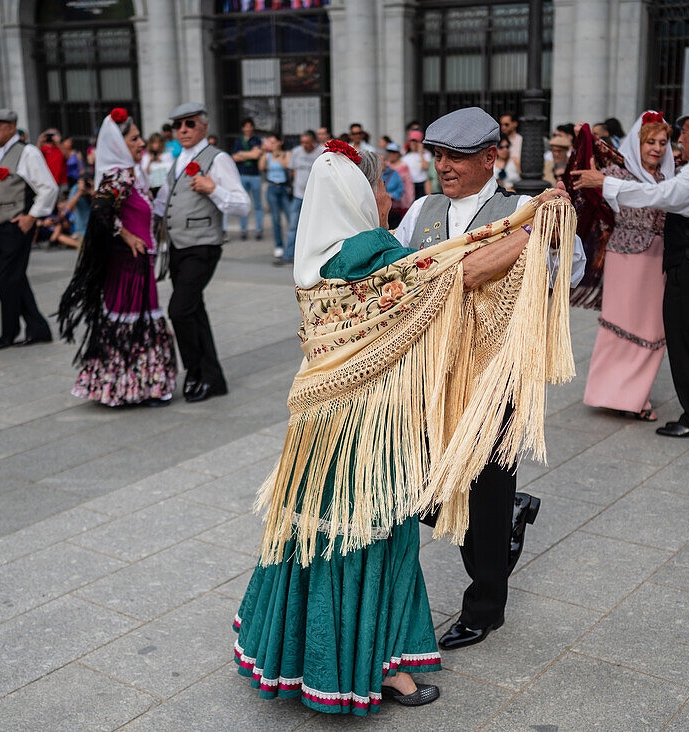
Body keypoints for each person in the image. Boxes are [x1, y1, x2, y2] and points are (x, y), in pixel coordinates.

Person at [234, 141, 577, 716]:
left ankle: (295, 658)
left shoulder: (315, 255)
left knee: (313, 531)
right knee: (375, 535)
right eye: (378, 186)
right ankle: (384, 671)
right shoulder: (370, 251)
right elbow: (456, 273)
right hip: (366, 425)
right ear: (356, 193)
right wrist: (534, 224)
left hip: (317, 427)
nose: (389, 195)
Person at [393, 107, 587, 651]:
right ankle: (508, 522)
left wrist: (547, 235)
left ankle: (485, 607)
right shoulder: (421, 211)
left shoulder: (522, 208)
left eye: (456, 156)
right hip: (434, 369)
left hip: (497, 371)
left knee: (485, 487)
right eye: (438, 155)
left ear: (489, 158)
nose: (443, 166)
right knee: (428, 482)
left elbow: (570, 270)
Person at [574, 106, 689, 439]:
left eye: (671, 139)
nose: (668, 145)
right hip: (683, 262)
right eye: (654, 141)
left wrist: (603, 181)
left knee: (683, 341)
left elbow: (657, 197)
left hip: (688, 265)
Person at [57, 108, 177, 406]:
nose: (141, 144)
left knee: (139, 323)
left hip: (139, 262)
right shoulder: (118, 177)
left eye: (139, 139)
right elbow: (99, 209)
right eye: (134, 139)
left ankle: (136, 386)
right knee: (132, 324)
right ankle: (129, 388)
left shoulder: (130, 175)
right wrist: (126, 235)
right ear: (118, 143)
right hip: (127, 265)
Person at [153, 102, 250, 402]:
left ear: (204, 127)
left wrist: (213, 189)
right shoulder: (177, 160)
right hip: (178, 247)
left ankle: (195, 372)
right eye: (177, 125)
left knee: (179, 310)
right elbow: (163, 204)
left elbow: (242, 205)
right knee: (193, 310)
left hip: (203, 245)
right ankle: (212, 378)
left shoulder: (218, 159)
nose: (182, 130)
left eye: (189, 124)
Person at [582, 111, 674, 421]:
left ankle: (637, 396)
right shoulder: (617, 175)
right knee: (619, 326)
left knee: (651, 328)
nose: (657, 148)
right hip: (624, 258)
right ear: (638, 143)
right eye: (650, 142)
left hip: (657, 259)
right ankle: (611, 393)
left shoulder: (670, 178)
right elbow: (581, 188)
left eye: (662, 142)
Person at [0, 108, 59, 349]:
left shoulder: (27, 152)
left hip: (16, 226)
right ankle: (38, 329)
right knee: (15, 279)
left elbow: (49, 188)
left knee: (5, 282)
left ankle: (9, 333)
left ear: (11, 127)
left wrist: (32, 217)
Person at [283, 130, 321, 265]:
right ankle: (288, 255)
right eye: (302, 142)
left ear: (313, 142)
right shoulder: (296, 152)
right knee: (293, 225)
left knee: (314, 227)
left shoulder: (320, 153)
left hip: (314, 197)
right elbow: (292, 170)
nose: (304, 145)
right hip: (298, 195)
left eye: (307, 142)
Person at [259, 132, 292, 263]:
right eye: (270, 142)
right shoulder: (267, 155)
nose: (271, 145)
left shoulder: (286, 154)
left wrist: (278, 154)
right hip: (272, 187)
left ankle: (292, 245)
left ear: (280, 142)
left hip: (284, 188)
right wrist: (264, 151)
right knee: (276, 219)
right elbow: (261, 167)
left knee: (291, 218)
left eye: (273, 142)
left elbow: (286, 165)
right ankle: (279, 246)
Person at [232, 118, 264, 241]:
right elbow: (234, 157)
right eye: (246, 126)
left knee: (258, 204)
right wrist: (250, 154)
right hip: (242, 175)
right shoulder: (239, 141)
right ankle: (243, 229)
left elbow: (257, 155)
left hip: (255, 175)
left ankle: (259, 229)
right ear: (243, 128)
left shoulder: (257, 140)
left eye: (250, 126)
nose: (248, 129)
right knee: (244, 203)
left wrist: (242, 154)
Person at [381, 143, 407, 227]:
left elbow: (402, 189)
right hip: (379, 209)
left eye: (383, 160)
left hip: (393, 210)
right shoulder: (374, 174)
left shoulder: (394, 173)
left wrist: (392, 195)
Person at [141, 132, 174, 199]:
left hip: (164, 187)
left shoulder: (167, 155)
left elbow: (170, 171)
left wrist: (160, 161)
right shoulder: (146, 157)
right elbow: (144, 173)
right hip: (151, 188)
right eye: (154, 143)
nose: (156, 145)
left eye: (158, 142)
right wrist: (150, 162)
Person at [403, 130, 432, 198]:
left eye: (416, 141)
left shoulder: (426, 154)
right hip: (410, 184)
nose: (413, 144)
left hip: (423, 183)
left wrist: (420, 152)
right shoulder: (405, 157)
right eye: (412, 141)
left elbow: (425, 167)